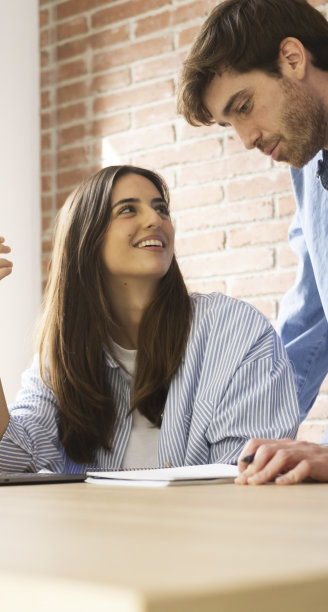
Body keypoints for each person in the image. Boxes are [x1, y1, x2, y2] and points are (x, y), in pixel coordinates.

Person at [0, 165, 298, 475]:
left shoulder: (236, 332)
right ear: (87, 238)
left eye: (161, 207)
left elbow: (247, 476)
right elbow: (2, 459)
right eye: (128, 209)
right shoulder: (63, 354)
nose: (156, 219)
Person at [177, 0, 328, 483]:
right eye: (230, 124)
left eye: (244, 107)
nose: (245, 139)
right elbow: (311, 315)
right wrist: (239, 440)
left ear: (292, 58)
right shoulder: (309, 170)